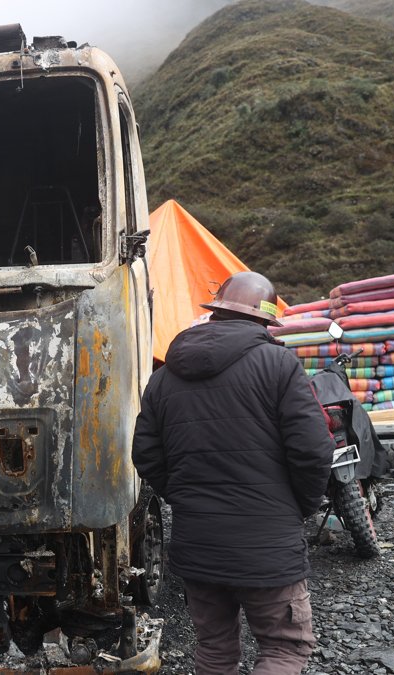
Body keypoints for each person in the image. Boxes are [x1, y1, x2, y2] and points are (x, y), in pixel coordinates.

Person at [132, 271, 334, 675]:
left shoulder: (163, 377)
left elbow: (146, 454)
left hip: (198, 542)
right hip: (268, 545)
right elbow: (314, 450)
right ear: (264, 320)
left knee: (214, 650)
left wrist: (185, 498)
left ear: (218, 310)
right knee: (285, 648)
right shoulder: (279, 365)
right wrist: (300, 507)